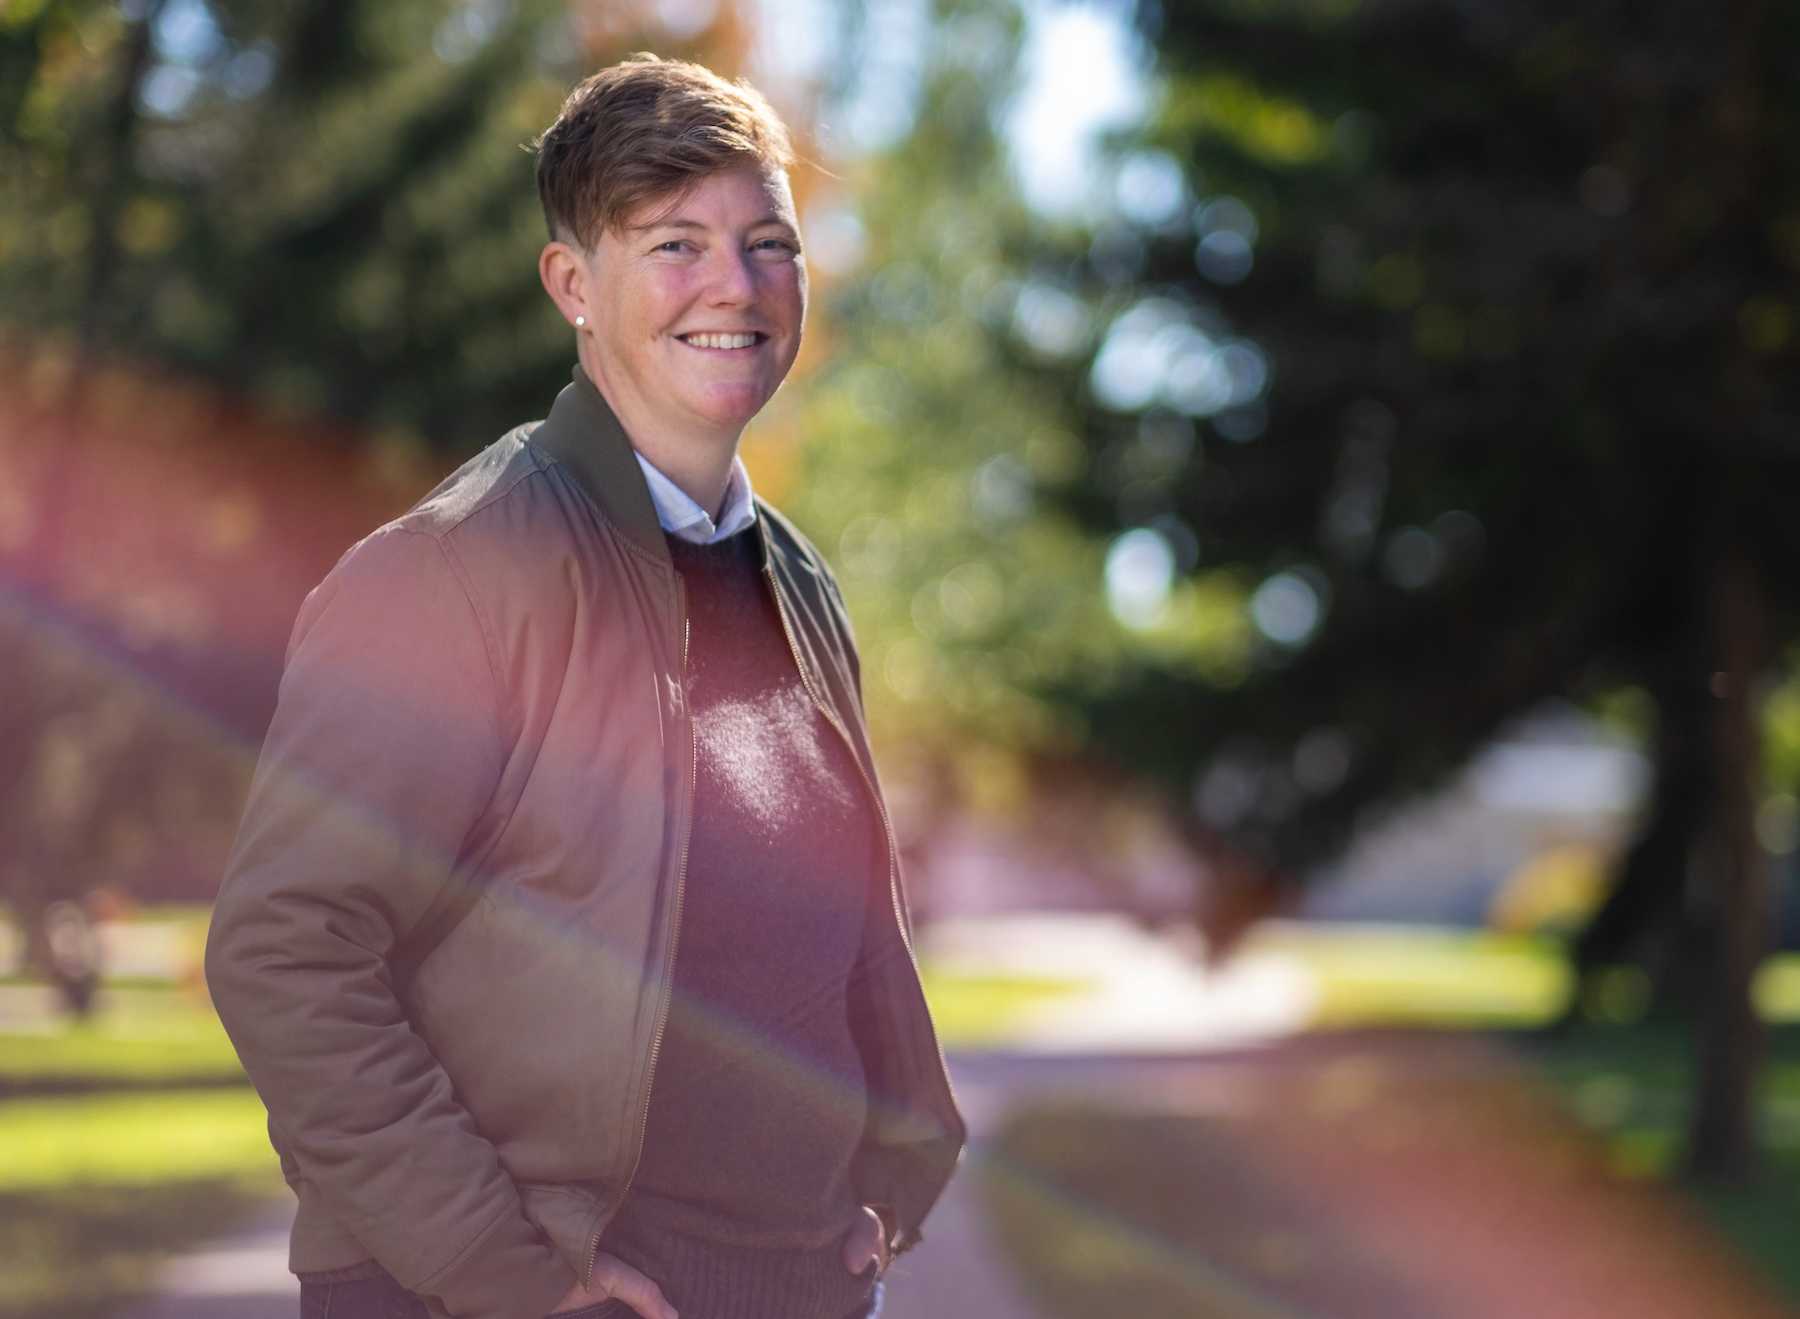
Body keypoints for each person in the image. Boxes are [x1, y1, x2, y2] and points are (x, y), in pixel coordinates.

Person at [205, 54, 965, 1319]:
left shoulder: (800, 585)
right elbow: (287, 950)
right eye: (676, 244)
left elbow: (842, 924)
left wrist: (893, 1167)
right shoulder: (452, 572)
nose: (737, 284)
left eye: (769, 242)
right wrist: (501, 1274)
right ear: (572, 282)